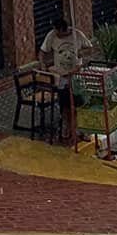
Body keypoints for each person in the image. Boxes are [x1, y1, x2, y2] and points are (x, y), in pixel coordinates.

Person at [37, 13, 94, 144]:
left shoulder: (77, 35)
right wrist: (43, 64)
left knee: (79, 104)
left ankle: (81, 130)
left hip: (76, 76)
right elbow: (42, 52)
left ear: (65, 29)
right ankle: (67, 128)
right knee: (65, 105)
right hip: (61, 77)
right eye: (56, 32)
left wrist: (82, 53)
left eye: (60, 33)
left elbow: (90, 49)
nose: (57, 35)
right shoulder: (51, 36)